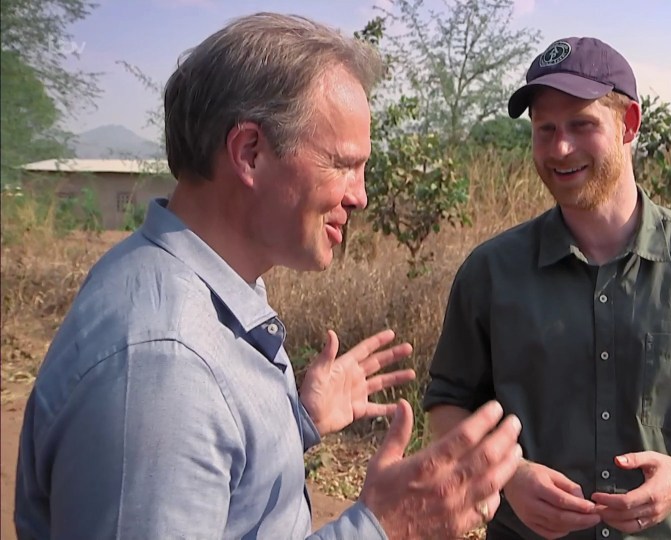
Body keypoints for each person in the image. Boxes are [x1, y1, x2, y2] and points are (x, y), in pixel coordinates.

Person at [15, 13, 523, 540]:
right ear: (250, 153)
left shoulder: (189, 288)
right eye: (343, 164)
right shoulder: (163, 367)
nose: (360, 195)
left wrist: (294, 421)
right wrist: (384, 529)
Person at [424, 36, 671, 540]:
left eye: (582, 125)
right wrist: (507, 475)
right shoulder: (491, 273)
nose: (560, 148)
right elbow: (446, 405)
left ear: (629, 124)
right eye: (545, 129)